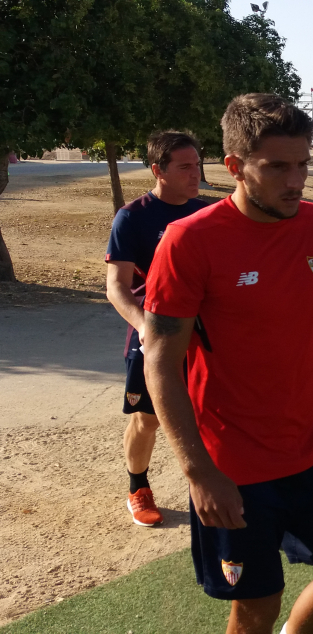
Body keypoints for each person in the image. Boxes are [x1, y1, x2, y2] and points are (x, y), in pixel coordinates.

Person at [143, 93, 313, 634]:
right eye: (277, 167)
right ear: (234, 167)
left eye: (303, 164)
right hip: (234, 467)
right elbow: (160, 363)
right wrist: (199, 472)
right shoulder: (189, 241)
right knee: (255, 608)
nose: (296, 180)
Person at [105, 130, 206, 527]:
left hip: (203, 335)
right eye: (184, 167)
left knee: (211, 413)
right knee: (148, 417)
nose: (194, 173)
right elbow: (116, 286)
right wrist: (144, 325)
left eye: (197, 165)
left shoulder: (207, 214)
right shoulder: (133, 217)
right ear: (157, 170)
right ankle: (138, 486)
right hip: (154, 334)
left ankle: (214, 484)